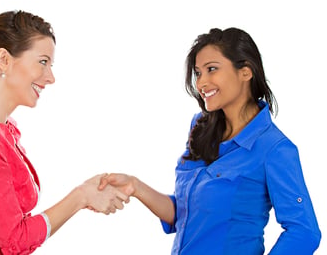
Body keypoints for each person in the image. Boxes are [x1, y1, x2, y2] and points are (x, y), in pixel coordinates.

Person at [99, 28, 321, 254]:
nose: (201, 83)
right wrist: (135, 187)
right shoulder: (200, 128)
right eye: (198, 73)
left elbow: (304, 232)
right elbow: (185, 215)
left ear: (245, 72)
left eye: (211, 69)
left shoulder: (274, 149)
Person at [0, 10, 128, 254]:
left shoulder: (1, 130)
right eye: (43, 62)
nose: (50, 77)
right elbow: (13, 240)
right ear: (4, 60)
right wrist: (80, 197)